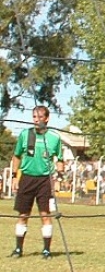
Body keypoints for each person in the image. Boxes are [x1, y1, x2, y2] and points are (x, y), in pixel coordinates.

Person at [10, 106, 64, 259]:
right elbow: (17, 156)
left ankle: (46, 250)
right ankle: (18, 249)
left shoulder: (54, 137)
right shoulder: (25, 134)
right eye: (34, 116)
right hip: (27, 178)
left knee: (45, 215)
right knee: (23, 214)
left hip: (45, 181)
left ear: (46, 118)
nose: (36, 119)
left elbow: (60, 160)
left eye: (39, 116)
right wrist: (15, 176)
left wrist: (59, 179)